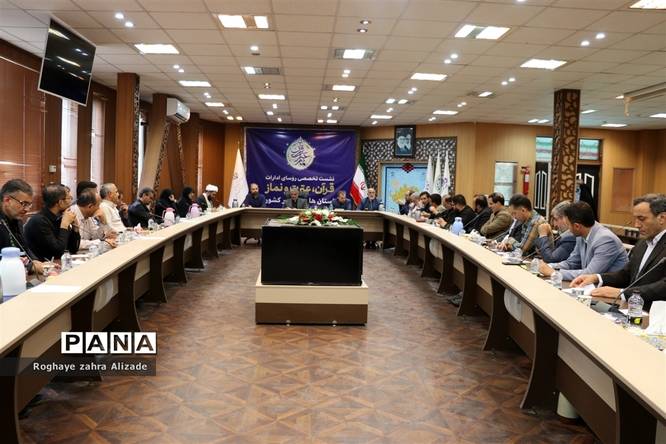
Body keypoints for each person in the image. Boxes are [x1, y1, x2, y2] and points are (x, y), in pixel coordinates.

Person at [572, 194, 666, 310]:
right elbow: (626, 274)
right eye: (635, 219)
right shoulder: (642, 243)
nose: (636, 225)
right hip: (631, 309)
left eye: (641, 219)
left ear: (662, 218)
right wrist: (597, 278)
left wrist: (622, 293)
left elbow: (663, 287)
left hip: (656, 314)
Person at [538, 201, 627, 281]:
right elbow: (571, 263)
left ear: (577, 226)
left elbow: (589, 274)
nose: (568, 230)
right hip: (591, 286)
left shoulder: (606, 240)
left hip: (609, 289)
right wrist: (549, 266)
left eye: (568, 225)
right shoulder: (581, 234)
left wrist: (554, 273)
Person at [24, 184, 80, 261]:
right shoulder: (39, 221)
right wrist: (64, 226)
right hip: (42, 265)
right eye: (69, 198)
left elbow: (73, 249)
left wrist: (75, 229)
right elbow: (57, 252)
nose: (71, 202)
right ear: (60, 202)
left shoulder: (59, 217)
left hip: (57, 263)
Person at [0, 179, 44, 275]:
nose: (27, 209)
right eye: (23, 204)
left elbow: (24, 248)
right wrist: (30, 266)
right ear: (7, 200)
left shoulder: (16, 218)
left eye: (29, 205)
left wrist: (35, 261)